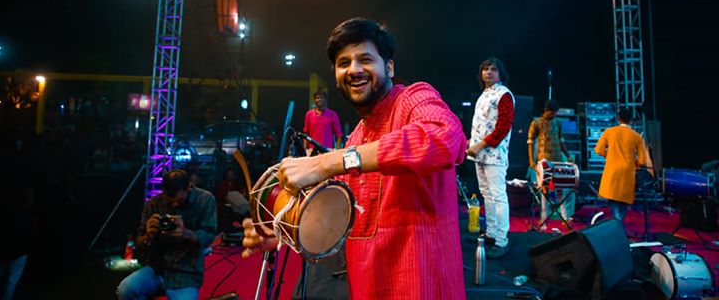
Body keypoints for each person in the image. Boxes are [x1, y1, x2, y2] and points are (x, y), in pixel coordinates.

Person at [243, 17, 467, 299]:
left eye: (365, 59)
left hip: (421, 288)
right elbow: (336, 224)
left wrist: (327, 162)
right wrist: (282, 232)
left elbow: (446, 139)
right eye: (343, 62)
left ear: (389, 66)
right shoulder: (356, 138)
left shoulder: (414, 98)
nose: (354, 70)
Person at [116, 169, 217, 300]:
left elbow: (210, 234)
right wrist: (149, 235)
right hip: (157, 268)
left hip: (186, 272)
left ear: (189, 187)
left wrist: (187, 234)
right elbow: (140, 243)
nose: (174, 205)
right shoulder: (154, 204)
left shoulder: (204, 200)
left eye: (179, 201)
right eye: (170, 201)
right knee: (126, 290)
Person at [466, 57, 515, 259]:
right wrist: (472, 142)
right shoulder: (485, 94)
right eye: (485, 69)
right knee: (486, 194)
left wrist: (479, 145)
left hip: (494, 154)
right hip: (480, 153)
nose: (488, 72)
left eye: (493, 69)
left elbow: (503, 127)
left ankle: (502, 240)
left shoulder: (504, 94)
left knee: (498, 195)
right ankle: (492, 234)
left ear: (500, 73)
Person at [594, 108, 648, 230]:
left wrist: (611, 155)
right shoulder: (637, 137)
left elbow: (598, 149)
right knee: (623, 204)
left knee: (613, 202)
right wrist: (634, 162)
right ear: (632, 121)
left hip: (612, 172)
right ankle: (619, 229)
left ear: (618, 119)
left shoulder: (609, 131)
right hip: (628, 173)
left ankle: (618, 229)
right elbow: (642, 161)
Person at [527, 99, 573, 227]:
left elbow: (561, 141)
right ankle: (543, 219)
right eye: (553, 112)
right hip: (544, 160)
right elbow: (530, 142)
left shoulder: (557, 123)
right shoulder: (536, 123)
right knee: (545, 189)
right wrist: (531, 160)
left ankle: (565, 218)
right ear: (548, 111)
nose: (554, 115)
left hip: (558, 159)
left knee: (560, 189)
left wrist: (568, 156)